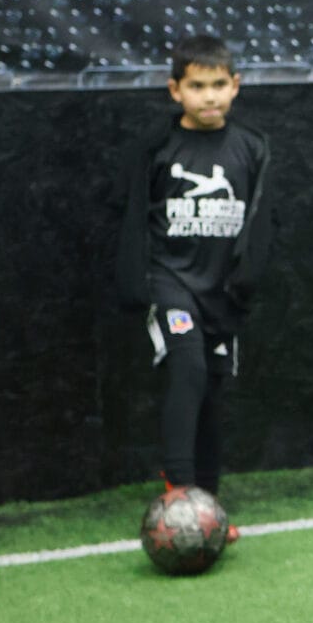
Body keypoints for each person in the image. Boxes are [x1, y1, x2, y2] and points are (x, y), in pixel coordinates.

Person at [116, 37, 272, 508]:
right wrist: (136, 284)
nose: (210, 95)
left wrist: (243, 287)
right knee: (188, 367)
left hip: (221, 293)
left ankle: (207, 504)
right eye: (197, 85)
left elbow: (261, 223)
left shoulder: (252, 147)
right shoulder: (158, 148)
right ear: (174, 90)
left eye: (219, 84)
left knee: (210, 391)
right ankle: (179, 494)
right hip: (171, 283)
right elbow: (132, 219)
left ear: (236, 86)